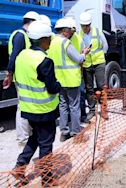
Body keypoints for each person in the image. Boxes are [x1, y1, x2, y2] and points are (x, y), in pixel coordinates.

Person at [12, 21, 61, 185]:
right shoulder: (44, 60)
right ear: (42, 40)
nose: (51, 41)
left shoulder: (21, 56)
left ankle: (19, 167)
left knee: (34, 139)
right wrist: (59, 85)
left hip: (28, 109)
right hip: (44, 110)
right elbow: (52, 88)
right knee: (46, 145)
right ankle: (47, 180)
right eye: (49, 38)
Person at [47, 18, 90, 142]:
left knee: (63, 105)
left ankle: (64, 131)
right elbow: (78, 59)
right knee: (74, 106)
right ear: (65, 31)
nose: (71, 33)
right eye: (70, 31)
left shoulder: (52, 42)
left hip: (59, 80)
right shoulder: (66, 43)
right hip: (71, 79)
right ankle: (76, 131)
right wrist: (84, 53)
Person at [3, 11, 40, 145]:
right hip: (21, 77)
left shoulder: (22, 34)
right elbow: (14, 56)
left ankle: (26, 134)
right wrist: (10, 74)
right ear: (32, 22)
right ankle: (23, 137)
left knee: (25, 105)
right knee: (22, 106)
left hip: (23, 76)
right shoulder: (20, 36)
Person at [78, 12, 108, 117]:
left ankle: (104, 109)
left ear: (90, 24)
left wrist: (101, 57)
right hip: (87, 64)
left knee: (101, 86)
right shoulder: (79, 35)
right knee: (89, 88)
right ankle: (91, 110)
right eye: (83, 26)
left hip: (99, 62)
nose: (85, 28)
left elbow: (105, 45)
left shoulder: (97, 32)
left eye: (87, 25)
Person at [66, 18, 89, 123]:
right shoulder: (61, 40)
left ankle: (82, 115)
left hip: (76, 73)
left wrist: (80, 68)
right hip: (64, 75)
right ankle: (71, 119)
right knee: (66, 100)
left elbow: (82, 56)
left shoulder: (78, 40)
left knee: (81, 94)